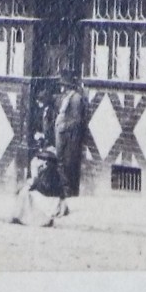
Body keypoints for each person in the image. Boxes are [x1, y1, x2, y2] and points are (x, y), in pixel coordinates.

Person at [12, 136, 68, 227]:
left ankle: (22, 217)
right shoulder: (56, 170)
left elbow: (38, 184)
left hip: (47, 201)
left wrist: (29, 185)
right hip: (55, 201)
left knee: (25, 192)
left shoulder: (40, 166)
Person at [54, 69, 87, 199]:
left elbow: (77, 121)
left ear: (67, 86)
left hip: (70, 137)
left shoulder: (76, 99)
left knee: (68, 164)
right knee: (61, 162)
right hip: (61, 136)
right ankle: (64, 190)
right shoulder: (64, 98)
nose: (61, 88)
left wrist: (64, 126)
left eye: (63, 85)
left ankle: (69, 192)